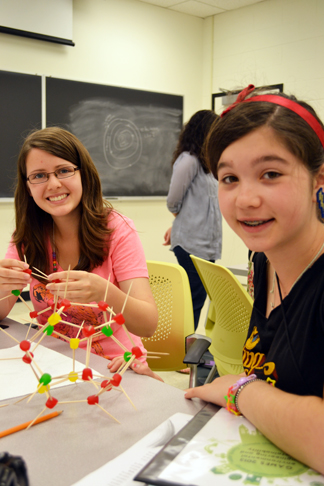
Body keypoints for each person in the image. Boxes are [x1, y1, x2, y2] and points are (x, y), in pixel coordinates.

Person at [185, 85, 324, 474]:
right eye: (229, 178)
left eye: (270, 174)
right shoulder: (263, 258)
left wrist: (238, 389)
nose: (245, 199)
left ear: (319, 178)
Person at [0, 127, 158, 363]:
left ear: (84, 174)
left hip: (115, 367)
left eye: (64, 171)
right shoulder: (26, 237)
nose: (53, 184)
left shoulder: (117, 230)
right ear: (28, 187)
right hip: (53, 362)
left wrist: (106, 292)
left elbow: (148, 324)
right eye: (39, 175)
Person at [164, 110, 222, 330]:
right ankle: (183, 354)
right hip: (191, 244)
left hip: (207, 244)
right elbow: (173, 201)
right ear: (204, 132)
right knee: (193, 299)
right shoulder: (188, 160)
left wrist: (176, 225)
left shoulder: (208, 164)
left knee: (198, 297)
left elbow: (202, 205)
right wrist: (180, 223)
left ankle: (186, 350)